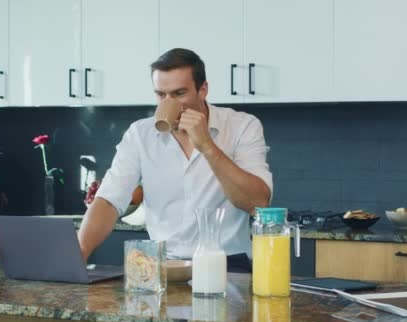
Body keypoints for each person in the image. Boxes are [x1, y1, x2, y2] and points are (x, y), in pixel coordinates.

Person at [77, 48, 272, 273]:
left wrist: (207, 145)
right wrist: (79, 253)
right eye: (161, 95)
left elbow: (258, 203)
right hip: (162, 265)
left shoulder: (243, 126)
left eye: (179, 94)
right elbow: (109, 200)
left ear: (203, 89)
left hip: (228, 265)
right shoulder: (140, 134)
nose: (168, 102)